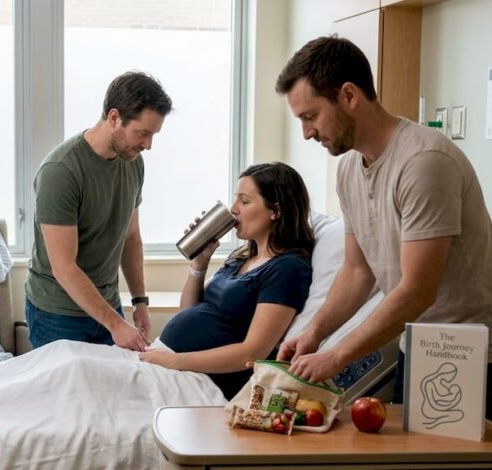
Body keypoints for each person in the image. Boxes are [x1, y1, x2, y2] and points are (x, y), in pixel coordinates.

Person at [274, 36, 492, 470]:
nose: (307, 132)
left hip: (477, 351)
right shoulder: (348, 168)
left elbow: (414, 289)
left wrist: (336, 357)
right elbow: (358, 272)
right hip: (421, 344)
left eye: (311, 116)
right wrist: (314, 333)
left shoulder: (424, 162)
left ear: (349, 95)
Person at [25, 71, 173, 352]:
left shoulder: (133, 162)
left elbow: (131, 236)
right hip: (58, 314)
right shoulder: (61, 171)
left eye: (153, 135)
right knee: (69, 384)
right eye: (142, 133)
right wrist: (116, 325)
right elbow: (64, 266)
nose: (148, 145)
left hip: (107, 305)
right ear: (114, 117)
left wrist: (140, 302)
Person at [140, 162, 315, 400]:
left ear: (275, 210)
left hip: (205, 381)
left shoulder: (287, 269)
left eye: (244, 201)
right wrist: (199, 264)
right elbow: (189, 310)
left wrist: (174, 361)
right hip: (175, 364)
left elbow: (253, 352)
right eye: (235, 199)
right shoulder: (241, 258)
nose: (233, 209)